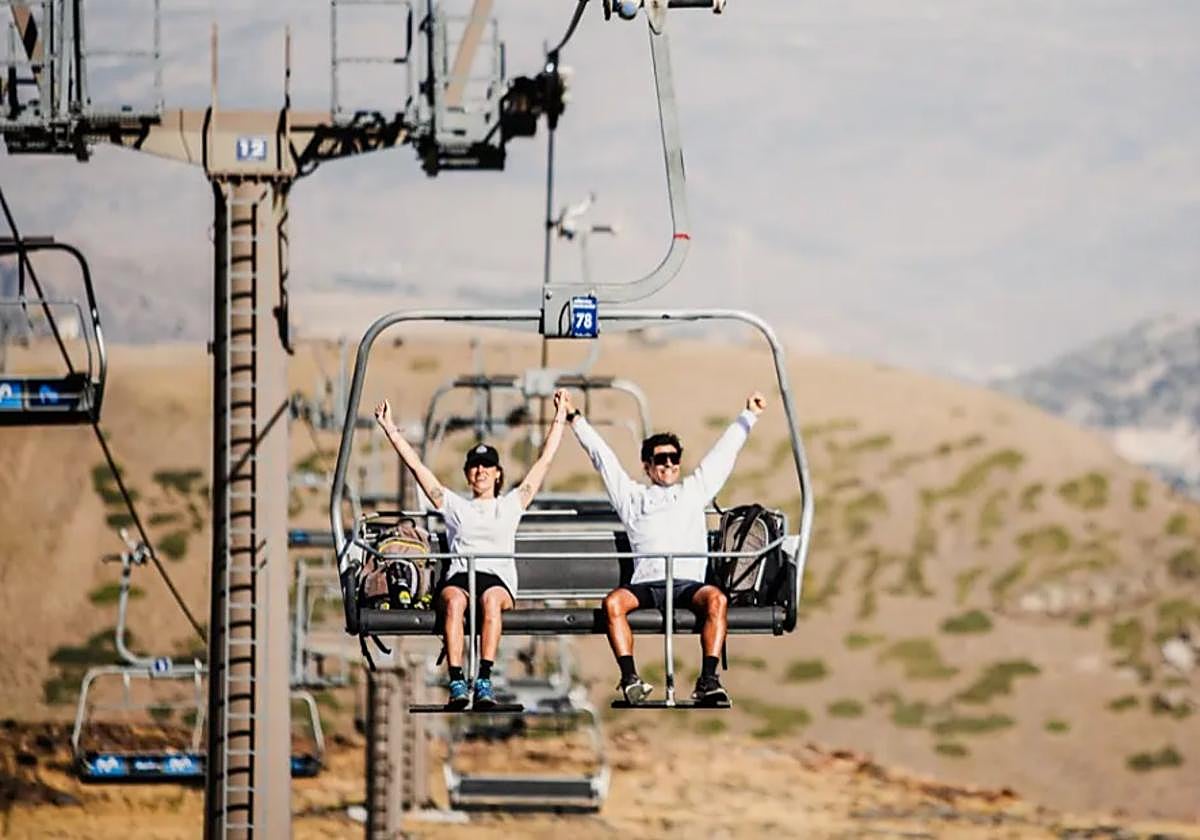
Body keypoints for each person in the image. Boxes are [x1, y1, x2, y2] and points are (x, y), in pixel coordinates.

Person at [564, 390, 767, 706]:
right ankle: (630, 677)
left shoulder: (692, 491)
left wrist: (748, 415)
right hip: (648, 584)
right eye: (661, 459)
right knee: (613, 604)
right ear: (648, 466)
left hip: (687, 584)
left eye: (674, 458)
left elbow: (723, 456)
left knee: (716, 599)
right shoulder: (633, 499)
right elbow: (602, 459)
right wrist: (575, 418)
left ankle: (709, 679)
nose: (669, 465)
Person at [375, 389, 570, 710]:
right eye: (474, 467)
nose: (480, 472)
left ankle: (483, 677)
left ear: (497, 475)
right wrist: (392, 431)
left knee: (491, 601)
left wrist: (560, 416)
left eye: (486, 467)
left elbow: (544, 462)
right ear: (468, 475)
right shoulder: (455, 506)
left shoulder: (510, 505)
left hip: (496, 578)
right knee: (452, 602)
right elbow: (420, 473)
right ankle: (456, 680)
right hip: (462, 575)